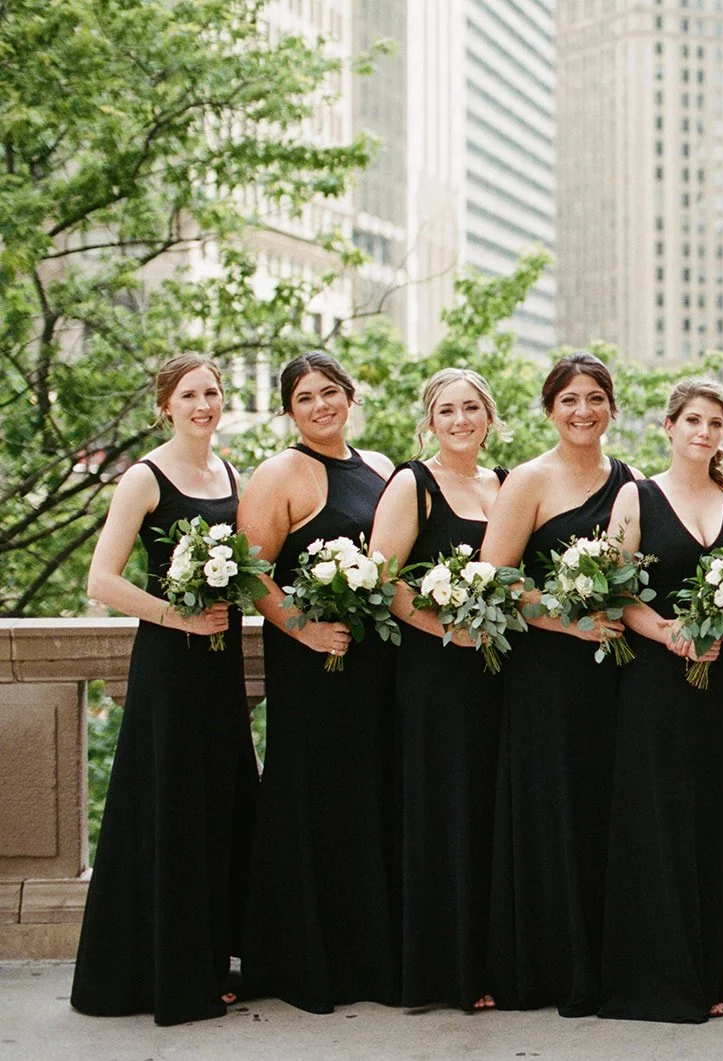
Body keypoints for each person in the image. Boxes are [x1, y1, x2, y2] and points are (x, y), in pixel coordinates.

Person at [70, 355, 258, 1026]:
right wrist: (177, 614)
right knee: (172, 808)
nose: (204, 403)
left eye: (212, 391)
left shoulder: (232, 473)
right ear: (166, 405)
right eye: (190, 394)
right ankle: (168, 976)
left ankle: (212, 959)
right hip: (170, 666)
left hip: (221, 664)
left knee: (219, 804)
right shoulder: (143, 477)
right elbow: (101, 579)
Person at [238, 351, 399, 1013]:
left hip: (377, 665)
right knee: (315, 798)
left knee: (372, 796)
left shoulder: (383, 469)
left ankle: (373, 957)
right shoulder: (280, 472)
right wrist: (305, 628)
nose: (321, 405)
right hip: (313, 665)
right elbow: (251, 571)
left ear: (350, 395)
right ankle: (306, 961)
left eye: (330, 392)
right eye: (305, 398)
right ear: (290, 411)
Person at [481, 351, 638, 1016]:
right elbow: (496, 579)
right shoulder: (528, 479)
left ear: (612, 408)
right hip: (546, 670)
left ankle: (606, 962)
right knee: (550, 807)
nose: (583, 411)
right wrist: (566, 622)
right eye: (570, 399)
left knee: (604, 808)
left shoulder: (629, 481)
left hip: (613, 674)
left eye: (595, 398)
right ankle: (547, 964)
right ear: (550, 409)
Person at [599, 379, 723, 1024]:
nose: (704, 431)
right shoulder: (636, 496)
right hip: (655, 685)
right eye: (693, 419)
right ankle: (660, 977)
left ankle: (716, 971)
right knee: (659, 820)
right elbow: (610, 587)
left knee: (718, 819)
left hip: (719, 684)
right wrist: (666, 632)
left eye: (716, 422)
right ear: (669, 426)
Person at [370, 368, 507, 1012]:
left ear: (489, 417)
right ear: (430, 420)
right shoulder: (412, 483)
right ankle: (441, 970)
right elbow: (384, 580)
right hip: (434, 672)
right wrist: (445, 631)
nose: (460, 420)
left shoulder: (502, 483)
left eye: (471, 408)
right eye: (447, 410)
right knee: (441, 808)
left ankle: (490, 960)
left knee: (487, 809)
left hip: (497, 671)